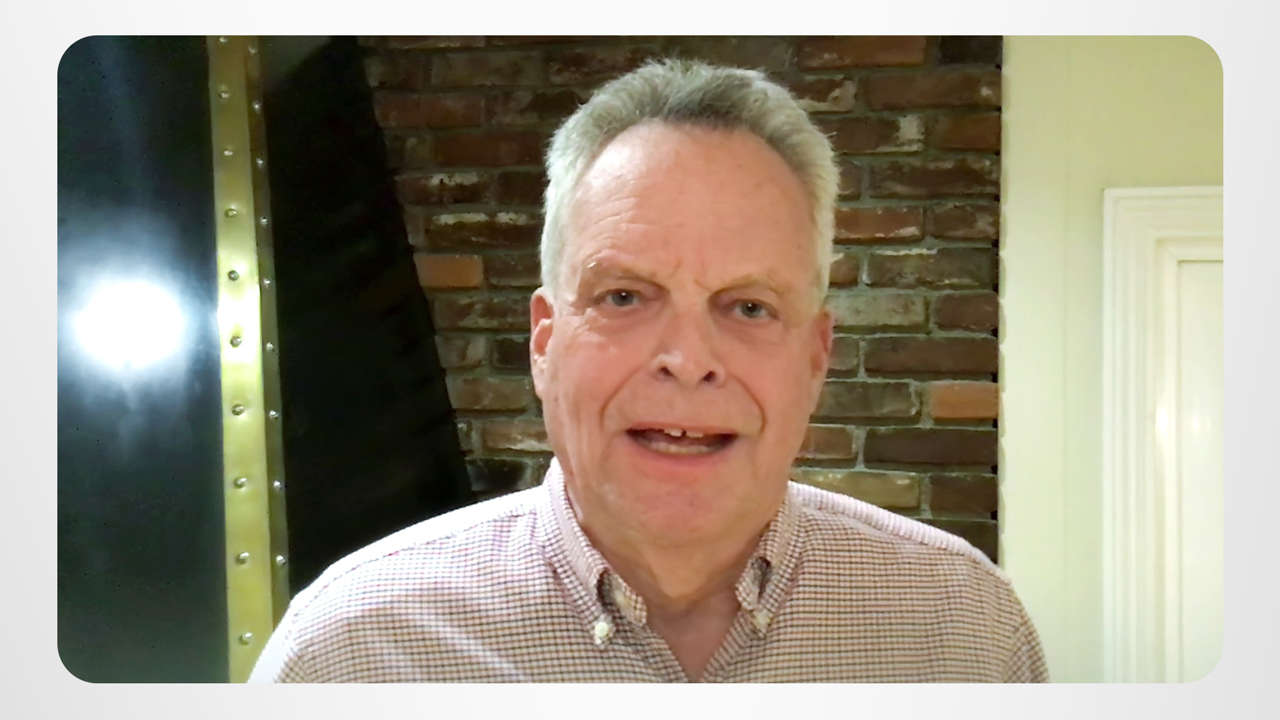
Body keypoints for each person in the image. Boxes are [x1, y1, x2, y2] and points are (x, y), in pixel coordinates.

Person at [249, 59, 1048, 683]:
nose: (690, 362)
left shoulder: (966, 632)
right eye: (625, 296)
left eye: (749, 306)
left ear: (815, 358)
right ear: (543, 341)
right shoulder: (352, 650)